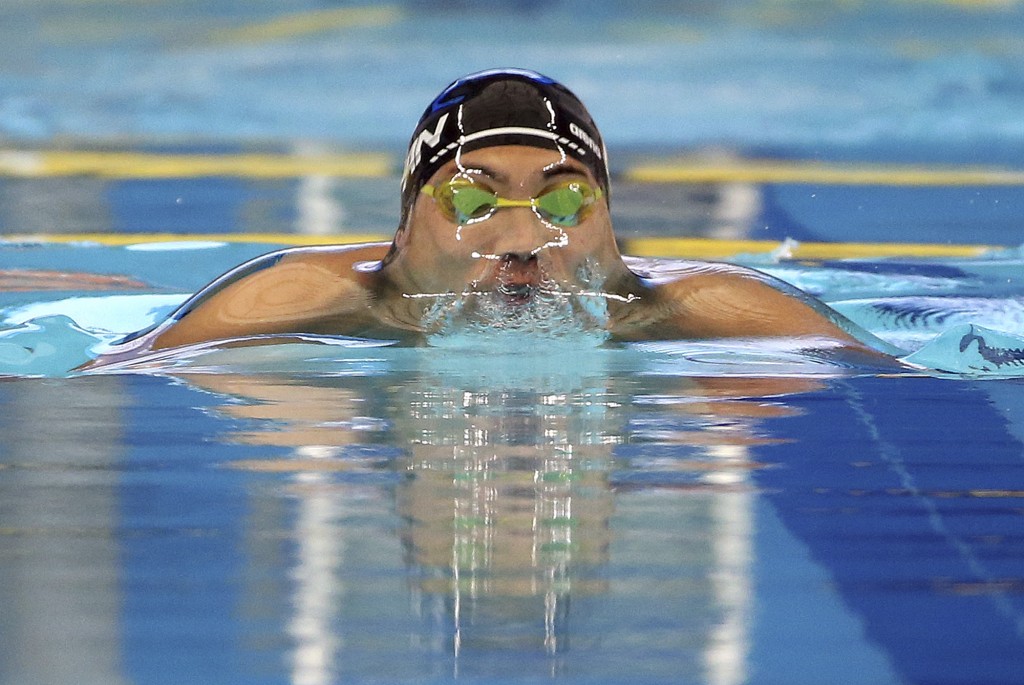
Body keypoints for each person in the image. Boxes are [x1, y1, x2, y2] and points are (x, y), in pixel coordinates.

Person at [93, 68, 889, 365]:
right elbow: (105, 371)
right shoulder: (303, 298)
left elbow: (898, 380)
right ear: (403, 227)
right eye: (472, 197)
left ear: (611, 221)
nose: (521, 238)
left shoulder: (704, 310)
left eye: (563, 196)